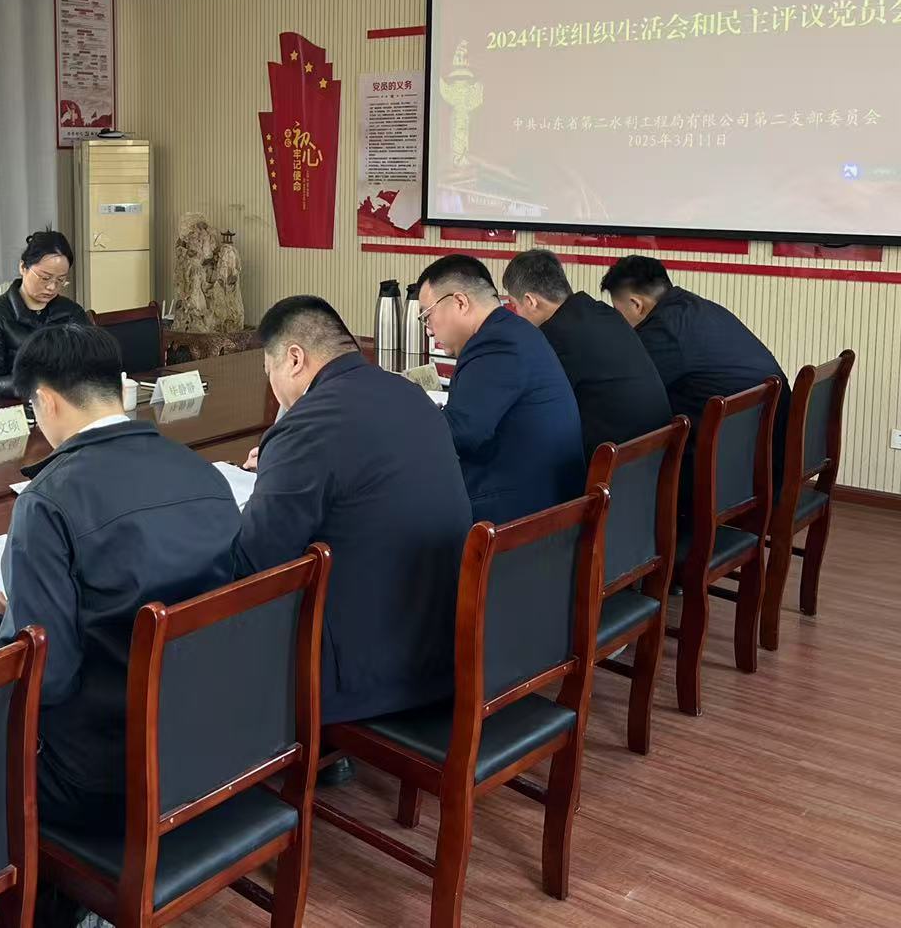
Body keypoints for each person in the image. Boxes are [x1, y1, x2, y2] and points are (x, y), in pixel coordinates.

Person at [0, 324, 239, 829]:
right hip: (214, 738)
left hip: (106, 775)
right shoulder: (202, 471)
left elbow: (46, 678)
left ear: (45, 401)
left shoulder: (46, 504)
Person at [234, 296, 470, 724]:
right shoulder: (410, 395)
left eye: (269, 371)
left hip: (365, 677)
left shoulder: (307, 426)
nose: (274, 387)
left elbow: (255, 563)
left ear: (294, 359)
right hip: (447, 649)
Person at [416, 254, 585, 523]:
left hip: (521, 513)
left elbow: (462, 433)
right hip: (540, 497)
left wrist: (406, 421)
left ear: (460, 302)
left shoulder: (496, 343)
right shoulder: (513, 331)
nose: (429, 330)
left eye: (427, 315)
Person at [599, 255, 788, 476]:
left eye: (617, 311)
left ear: (636, 304)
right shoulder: (698, 308)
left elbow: (622, 396)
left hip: (734, 471)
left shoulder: (663, 331)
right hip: (768, 453)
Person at [502, 248, 672, 459]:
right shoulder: (600, 311)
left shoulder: (556, 336)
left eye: (514, 305)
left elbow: (528, 408)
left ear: (530, 301)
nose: (516, 314)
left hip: (612, 465)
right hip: (649, 457)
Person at [0, 230, 90, 400]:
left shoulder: (71, 312)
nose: (52, 287)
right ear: (23, 267)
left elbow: (94, 363)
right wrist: (38, 383)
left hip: (67, 404)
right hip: (17, 407)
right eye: (45, 278)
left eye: (60, 280)